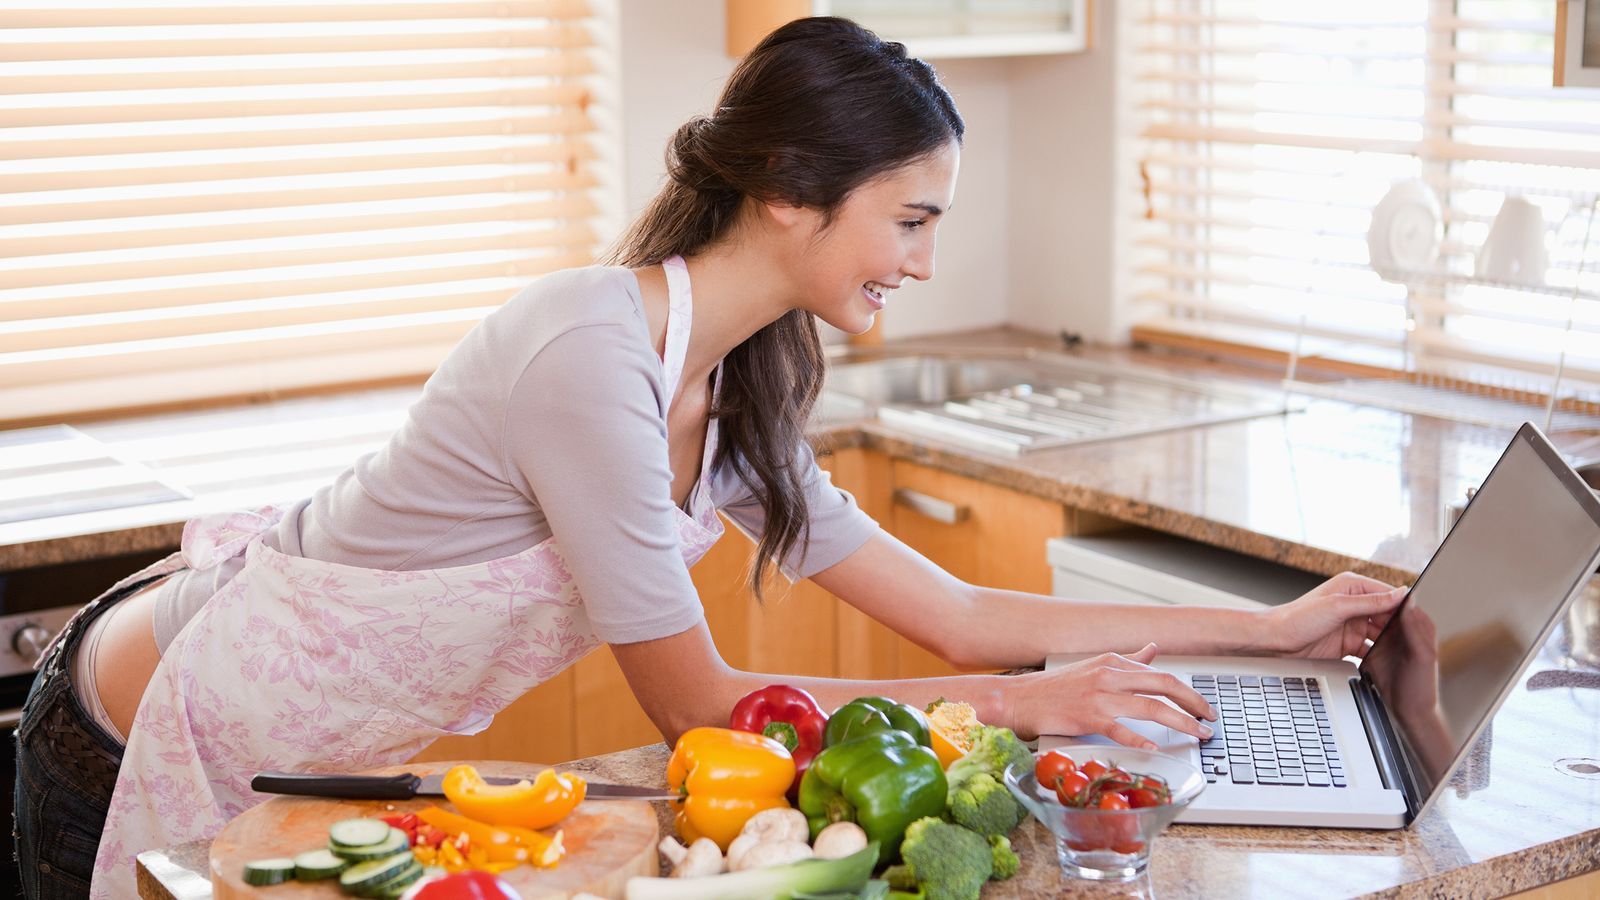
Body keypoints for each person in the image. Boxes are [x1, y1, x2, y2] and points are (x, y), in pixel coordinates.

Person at [12, 17, 1405, 898]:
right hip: (136, 728)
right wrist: (1027, 708)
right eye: (910, 220)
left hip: (305, 762)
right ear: (793, 194)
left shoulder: (737, 392)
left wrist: (1271, 627)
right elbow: (702, 709)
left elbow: (964, 610)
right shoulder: (587, 357)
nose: (928, 259)